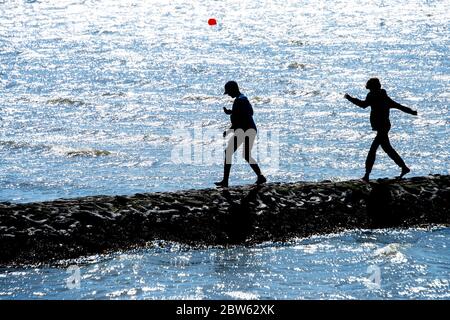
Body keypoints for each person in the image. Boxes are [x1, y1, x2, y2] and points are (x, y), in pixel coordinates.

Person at [344, 78, 418, 182]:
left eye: (371, 89)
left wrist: (412, 112)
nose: (370, 91)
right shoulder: (372, 96)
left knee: (372, 150)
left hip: (384, 127)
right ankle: (404, 168)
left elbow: (398, 106)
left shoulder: (383, 97)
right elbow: (363, 105)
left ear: (375, 88)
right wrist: (350, 99)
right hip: (380, 127)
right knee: (388, 149)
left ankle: (366, 175)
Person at [215, 81, 267, 187]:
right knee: (246, 155)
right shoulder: (244, 98)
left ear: (233, 89)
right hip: (250, 129)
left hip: (244, 130)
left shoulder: (238, 101)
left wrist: (228, 131)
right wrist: (232, 112)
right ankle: (261, 176)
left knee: (229, 152)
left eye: (228, 92)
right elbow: (249, 113)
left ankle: (225, 181)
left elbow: (238, 120)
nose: (228, 94)